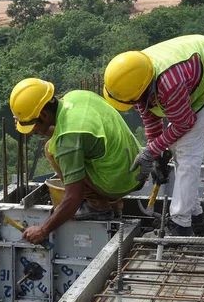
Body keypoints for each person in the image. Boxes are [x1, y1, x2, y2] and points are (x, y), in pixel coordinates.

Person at [103, 35, 204, 237]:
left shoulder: (168, 84)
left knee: (186, 149)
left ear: (143, 88)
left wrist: (150, 151)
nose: (133, 104)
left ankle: (180, 226)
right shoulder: (138, 75)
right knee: (177, 148)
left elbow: (185, 123)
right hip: (195, 71)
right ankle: (196, 218)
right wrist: (157, 156)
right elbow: (148, 114)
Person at [9, 78, 143, 245]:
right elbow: (71, 132)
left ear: (43, 115)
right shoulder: (75, 97)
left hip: (119, 182)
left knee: (51, 149)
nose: (32, 132)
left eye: (31, 127)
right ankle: (114, 205)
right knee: (58, 145)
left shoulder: (67, 141)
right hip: (135, 166)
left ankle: (97, 206)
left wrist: (43, 230)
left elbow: (74, 198)